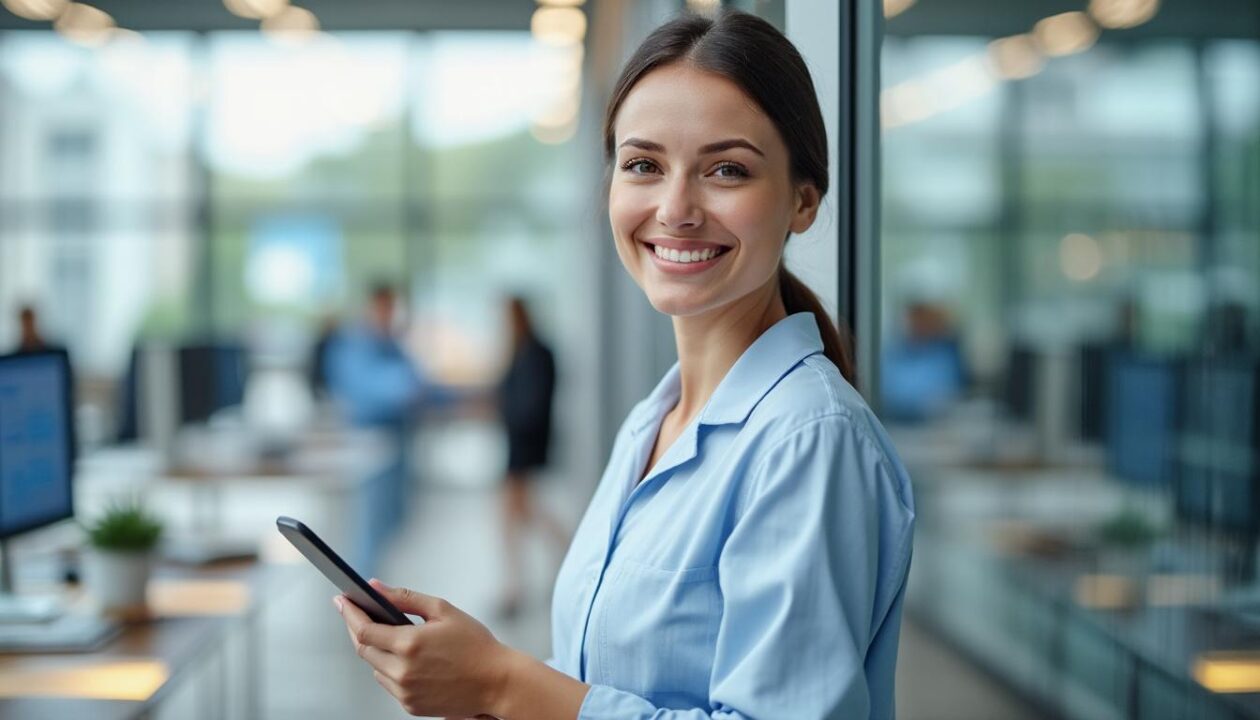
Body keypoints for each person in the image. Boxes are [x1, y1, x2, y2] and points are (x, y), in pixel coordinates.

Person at [334, 11, 916, 719]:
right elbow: (602, 685)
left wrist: (503, 683)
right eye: (643, 165)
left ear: (803, 200)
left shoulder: (807, 440)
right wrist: (479, 684)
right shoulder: (653, 422)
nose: (675, 209)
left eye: (726, 170)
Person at [495, 296, 568, 619]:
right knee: (518, 512)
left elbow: (532, 404)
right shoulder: (521, 350)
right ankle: (517, 585)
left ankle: (517, 587)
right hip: (518, 443)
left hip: (526, 443)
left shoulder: (536, 353)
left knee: (513, 513)